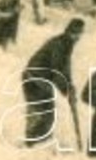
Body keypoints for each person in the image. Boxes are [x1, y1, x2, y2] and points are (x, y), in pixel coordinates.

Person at [22, 17, 85, 146]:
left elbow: (64, 70)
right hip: (34, 79)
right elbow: (57, 71)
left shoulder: (66, 45)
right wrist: (67, 90)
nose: (77, 37)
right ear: (69, 31)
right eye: (75, 33)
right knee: (42, 113)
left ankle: (39, 142)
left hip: (41, 80)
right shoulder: (59, 45)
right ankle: (32, 144)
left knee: (47, 113)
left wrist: (69, 87)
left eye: (79, 33)